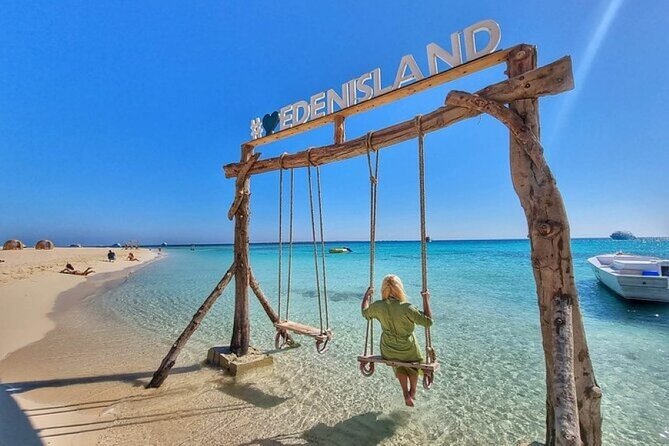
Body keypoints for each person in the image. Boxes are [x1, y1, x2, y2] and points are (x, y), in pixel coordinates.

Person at [361, 274, 432, 407]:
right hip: (408, 350)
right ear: (400, 288)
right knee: (414, 363)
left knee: (399, 364)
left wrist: (367, 296)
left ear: (383, 289)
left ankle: (405, 393)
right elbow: (428, 322)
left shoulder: (378, 306)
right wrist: (426, 300)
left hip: (388, 350)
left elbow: (365, 313)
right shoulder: (407, 307)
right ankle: (412, 391)